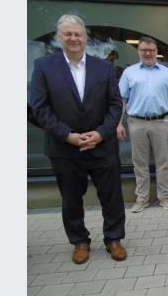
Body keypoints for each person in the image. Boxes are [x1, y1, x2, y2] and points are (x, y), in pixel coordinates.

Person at [29, 14, 127, 264]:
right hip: (65, 148)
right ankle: (80, 241)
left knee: (111, 195)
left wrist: (101, 133)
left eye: (78, 34)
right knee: (71, 198)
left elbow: (115, 105)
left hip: (102, 145)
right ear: (59, 37)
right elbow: (39, 107)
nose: (73, 38)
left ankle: (113, 238)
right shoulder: (43, 66)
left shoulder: (104, 67)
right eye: (68, 34)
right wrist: (67, 135)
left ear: (85, 37)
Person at [116, 37, 168, 212]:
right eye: (144, 50)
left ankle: (164, 197)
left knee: (163, 162)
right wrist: (118, 124)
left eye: (151, 50)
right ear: (138, 51)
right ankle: (142, 198)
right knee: (139, 162)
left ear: (156, 51)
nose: (148, 53)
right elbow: (121, 100)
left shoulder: (167, 73)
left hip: (161, 122)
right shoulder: (129, 73)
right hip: (136, 123)